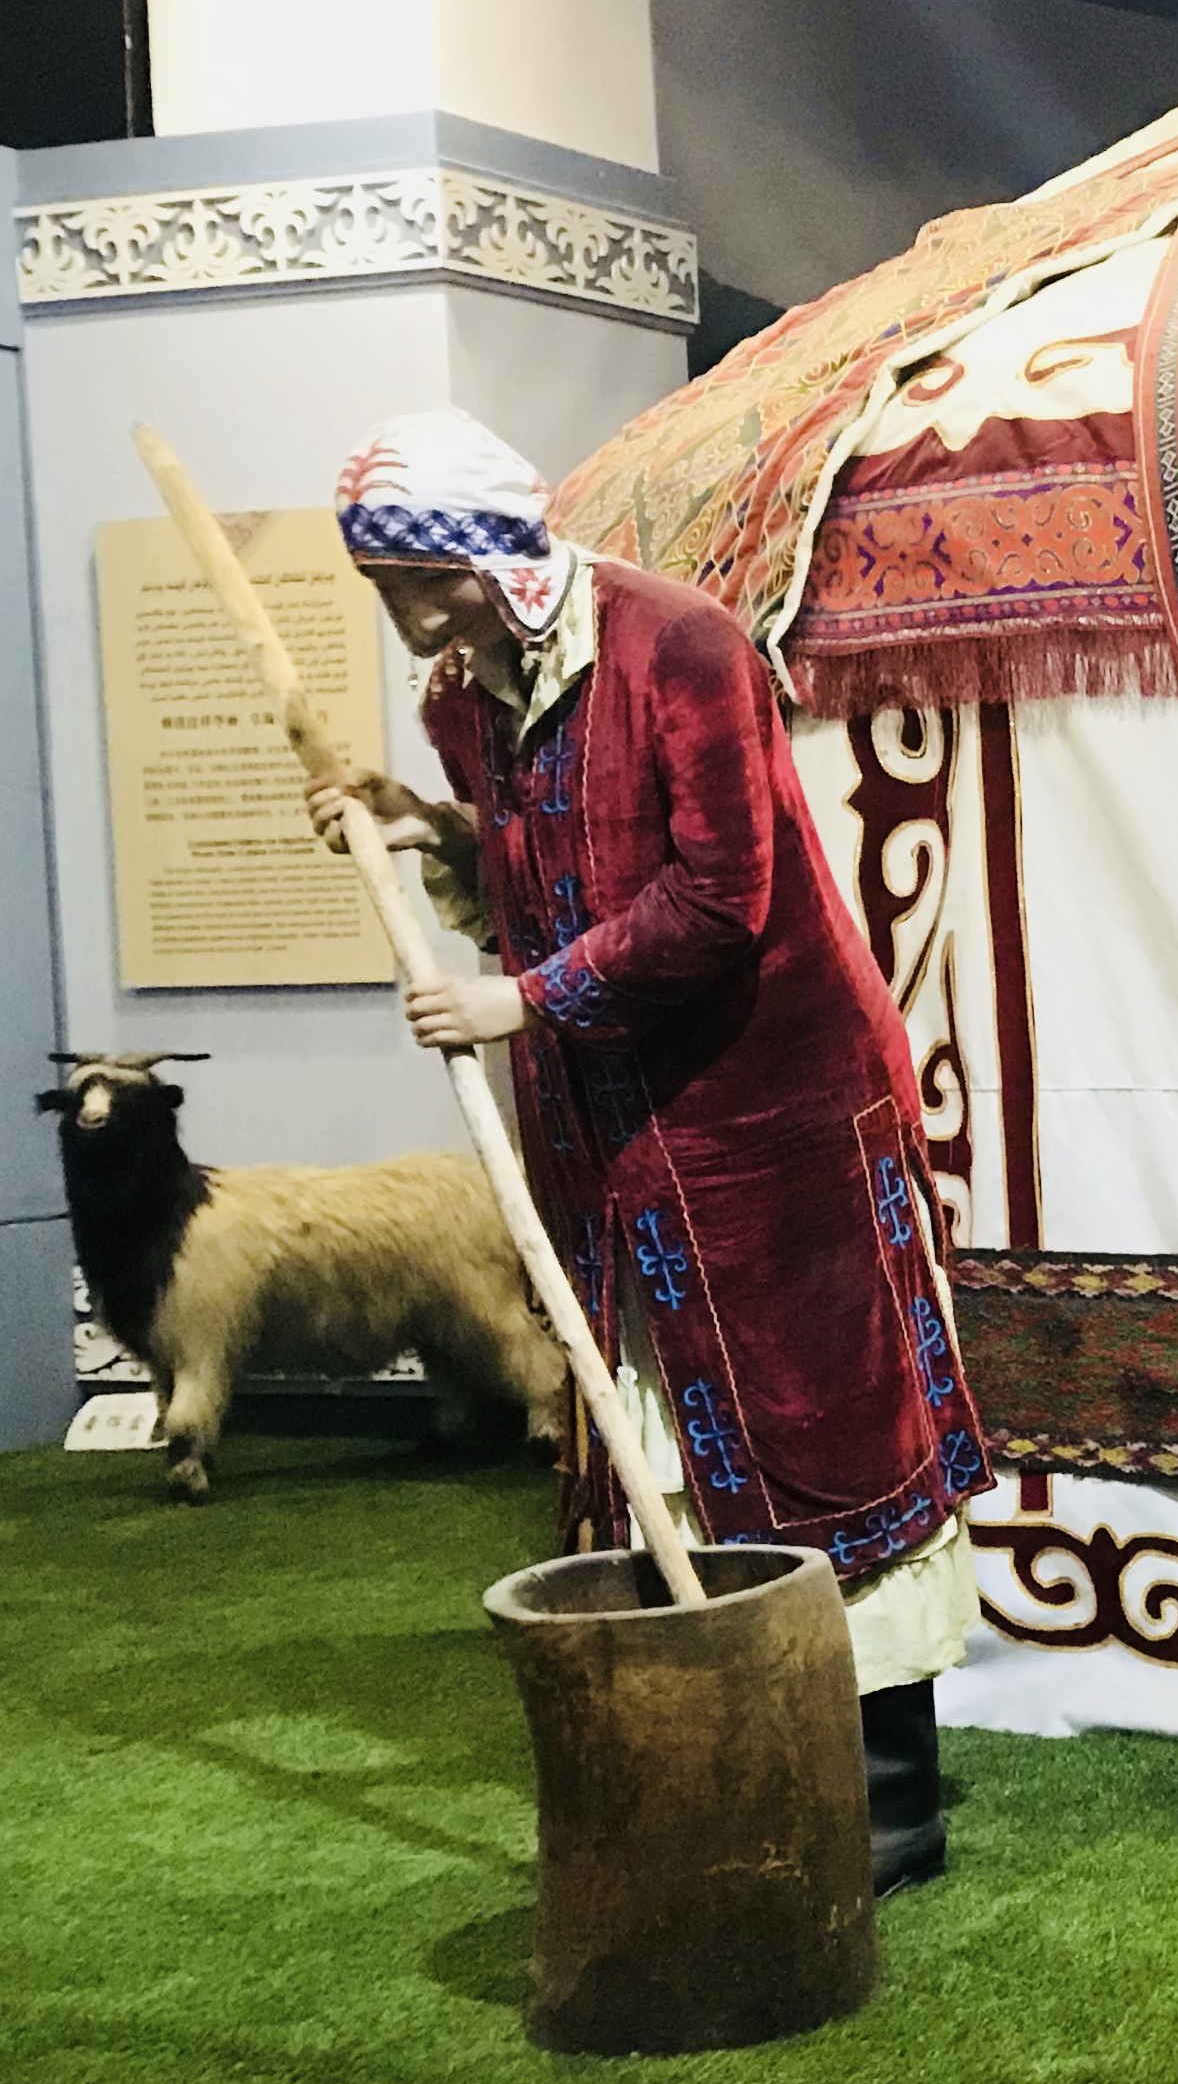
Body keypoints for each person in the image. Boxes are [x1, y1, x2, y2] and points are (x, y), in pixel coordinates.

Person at [311, 409, 990, 1891]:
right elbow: (542, 876)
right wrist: (433, 835)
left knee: (820, 1436)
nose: (404, 619)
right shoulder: (466, 698)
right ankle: (738, 1761)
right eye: (383, 588)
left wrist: (523, 999)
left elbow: (718, 902)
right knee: (668, 1440)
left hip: (767, 1118)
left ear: (481, 559)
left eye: (415, 582)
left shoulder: (680, 649)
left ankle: (887, 1802)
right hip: (615, 1139)